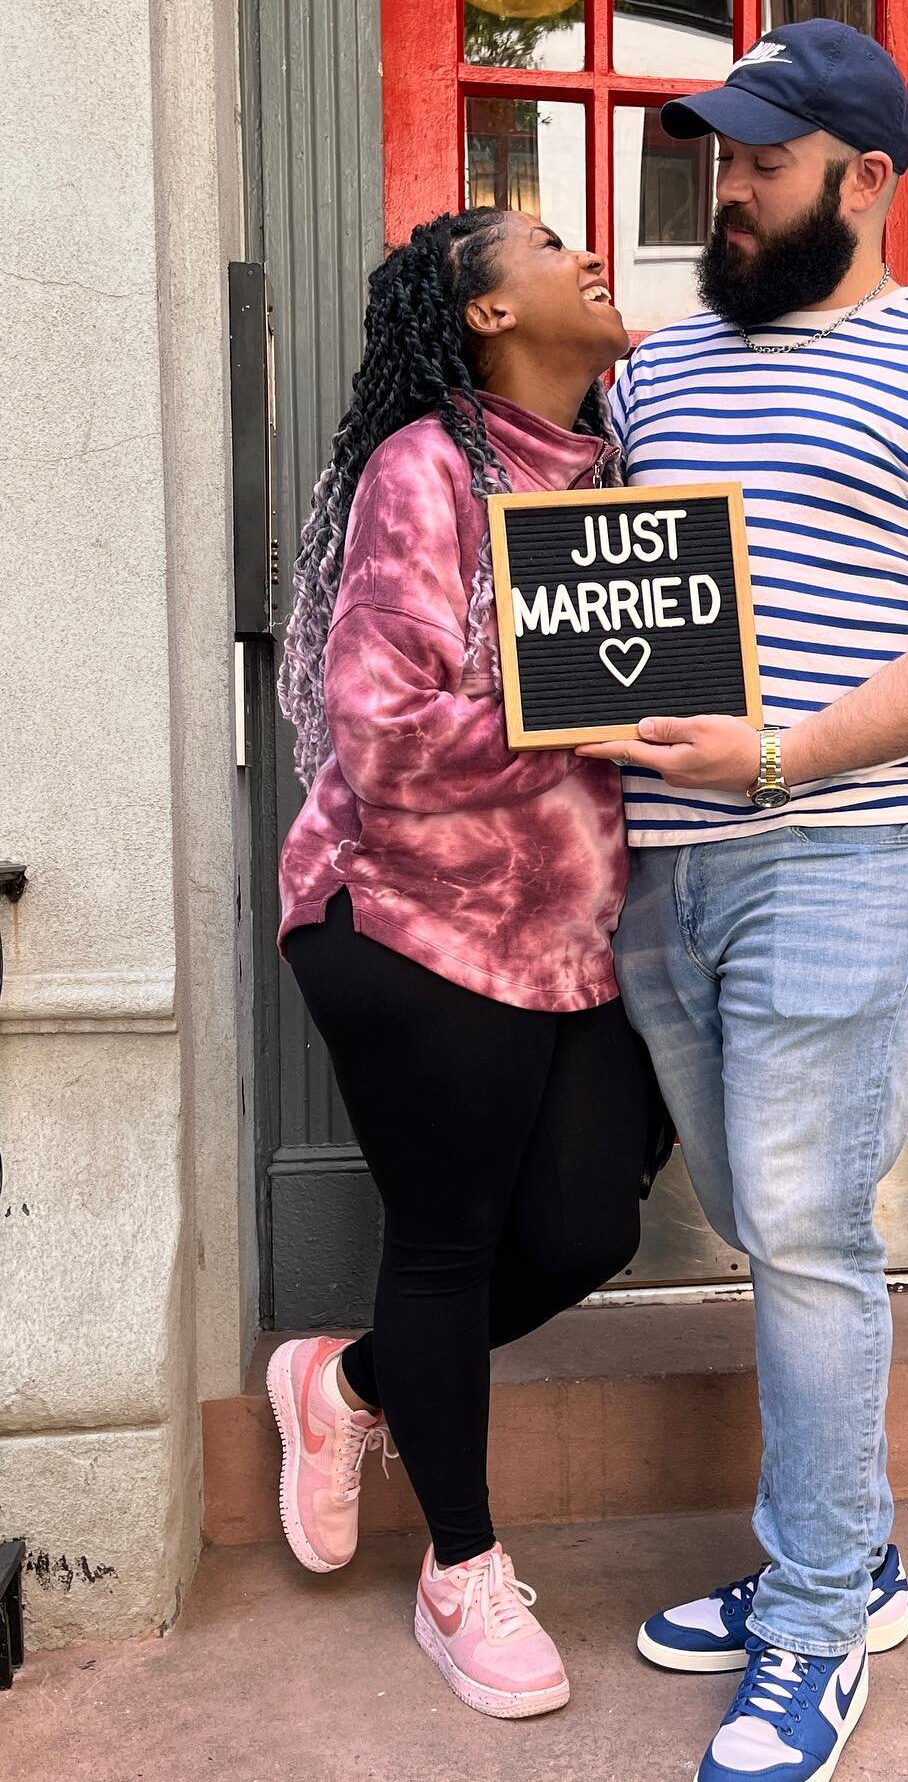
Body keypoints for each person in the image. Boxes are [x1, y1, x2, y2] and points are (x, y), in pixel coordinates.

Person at [581, 20, 908, 1782]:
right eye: (717, 154)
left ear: (866, 178)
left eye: (763, 159)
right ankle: (846, 1552)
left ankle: (810, 1629)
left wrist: (781, 758)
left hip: (847, 851)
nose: (728, 183)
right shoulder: (667, 367)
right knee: (758, 1212)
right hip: (666, 866)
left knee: (805, 1234)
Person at [268, 206, 657, 1721]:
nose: (592, 255)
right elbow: (380, 737)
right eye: (554, 243)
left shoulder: (625, 474)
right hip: (410, 922)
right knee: (445, 1243)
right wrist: (580, 705)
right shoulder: (423, 471)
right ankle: (461, 1573)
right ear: (485, 314)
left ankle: (350, 1384)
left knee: (587, 1233)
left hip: (574, 939)